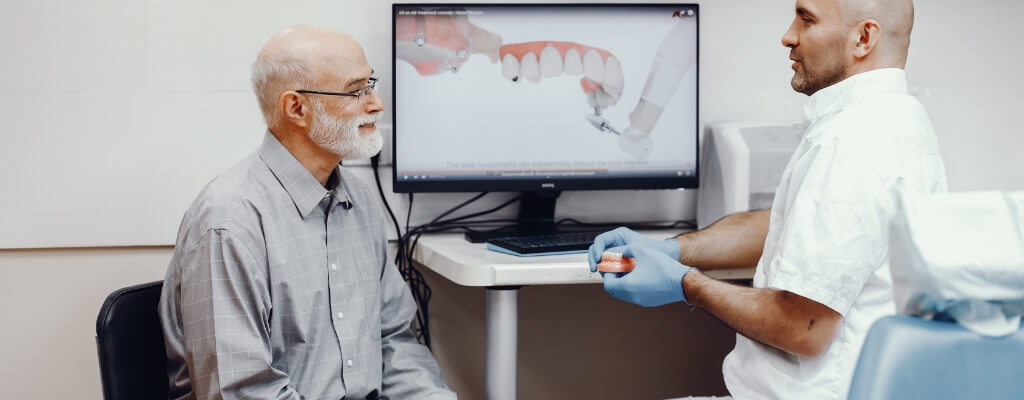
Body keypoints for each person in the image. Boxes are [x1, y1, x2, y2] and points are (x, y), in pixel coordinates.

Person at [588, 0, 947, 398]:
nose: (788, 35)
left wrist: (684, 284)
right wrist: (674, 249)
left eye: (806, 19)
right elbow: (789, 225)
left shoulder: (854, 143)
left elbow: (803, 327)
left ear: (864, 38)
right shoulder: (895, 116)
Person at [158, 25, 456, 400]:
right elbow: (242, 392)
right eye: (355, 90)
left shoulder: (360, 203)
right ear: (296, 108)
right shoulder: (230, 223)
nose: (376, 103)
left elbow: (394, 342)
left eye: (371, 84)